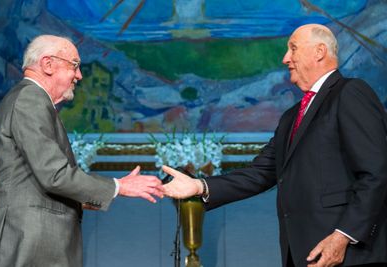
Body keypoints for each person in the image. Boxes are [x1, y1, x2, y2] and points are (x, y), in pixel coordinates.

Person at [162, 24, 387, 267]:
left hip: (348, 254)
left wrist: (343, 236)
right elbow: (259, 173)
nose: (285, 58)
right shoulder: (292, 116)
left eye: (293, 49)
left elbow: (376, 172)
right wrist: (198, 185)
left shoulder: (350, 92)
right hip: (303, 254)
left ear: (319, 51)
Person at [0, 35, 164, 267]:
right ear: (48, 64)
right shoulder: (29, 98)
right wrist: (119, 186)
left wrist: (77, 201)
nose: (79, 75)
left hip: (38, 238)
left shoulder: (32, 100)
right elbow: (54, 175)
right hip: (31, 240)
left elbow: (32, 180)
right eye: (74, 65)